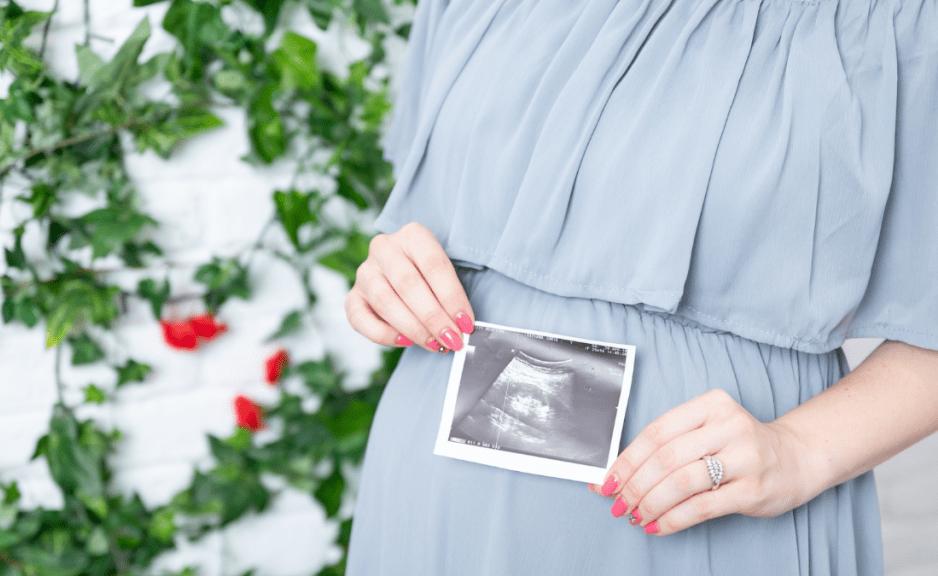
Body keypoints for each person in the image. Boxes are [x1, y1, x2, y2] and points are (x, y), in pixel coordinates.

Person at [343, 0, 938, 573]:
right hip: (432, 500)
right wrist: (391, 271)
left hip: (701, 516)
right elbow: (428, 207)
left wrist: (802, 451)